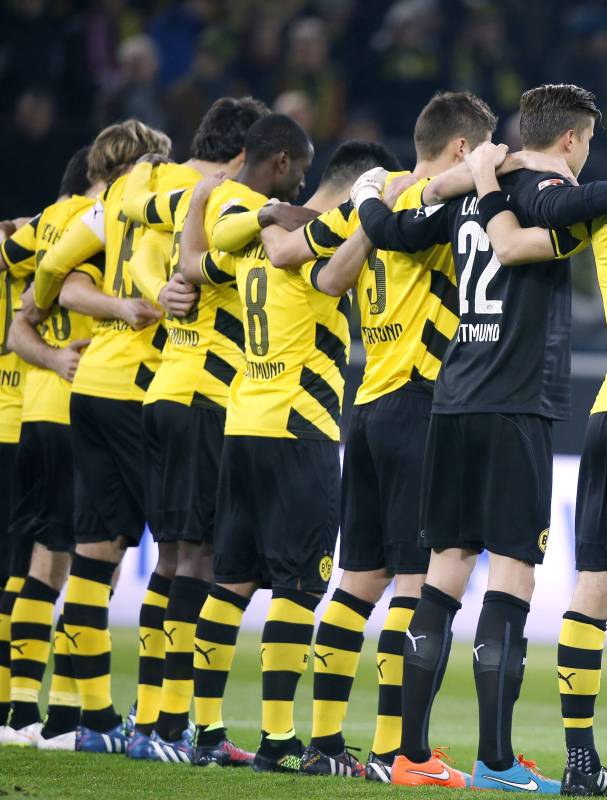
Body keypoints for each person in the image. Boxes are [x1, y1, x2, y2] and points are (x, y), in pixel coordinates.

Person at [354, 82, 607, 793]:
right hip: (515, 405)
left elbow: (393, 232)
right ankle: (496, 761)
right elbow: (562, 210)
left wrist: (372, 190)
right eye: (587, 143)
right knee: (514, 577)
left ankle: (409, 753)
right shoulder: (543, 190)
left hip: (452, 400)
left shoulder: (470, 194)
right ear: (572, 138)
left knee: (443, 572)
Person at [261, 91, 497, 782]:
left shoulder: (375, 195)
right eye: (481, 148)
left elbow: (320, 272)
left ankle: (325, 743)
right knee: (414, 582)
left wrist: (308, 213)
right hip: (420, 404)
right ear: (462, 148)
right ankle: (397, 751)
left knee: (357, 581)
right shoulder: (443, 202)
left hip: (365, 408)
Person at [173, 116, 375, 772]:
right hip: (299, 428)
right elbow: (340, 267)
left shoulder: (254, 239)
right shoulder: (322, 231)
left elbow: (192, 267)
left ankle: (206, 733)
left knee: (229, 582)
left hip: (243, 423)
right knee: (297, 586)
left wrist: (201, 204)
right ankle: (280, 739)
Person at [112, 95, 270, 761]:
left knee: (174, 558)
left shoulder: (163, 187)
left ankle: (150, 719)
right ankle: (174, 726)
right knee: (198, 559)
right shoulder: (225, 196)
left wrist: (158, 285)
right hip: (205, 392)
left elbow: (129, 215)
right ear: (245, 156)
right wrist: (169, 285)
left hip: (164, 390)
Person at [31, 119, 174, 754]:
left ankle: (90, 718)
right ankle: (157, 719)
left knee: (91, 556)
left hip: (87, 388)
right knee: (180, 553)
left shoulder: (95, 212)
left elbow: (56, 271)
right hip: (140, 388)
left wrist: (36, 306)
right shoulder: (155, 199)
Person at [0, 147, 100, 750]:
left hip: (27, 412)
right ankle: (61, 715)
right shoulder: (98, 225)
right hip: (75, 409)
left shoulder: (38, 229)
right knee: (82, 564)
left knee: (26, 565)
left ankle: (14, 709)